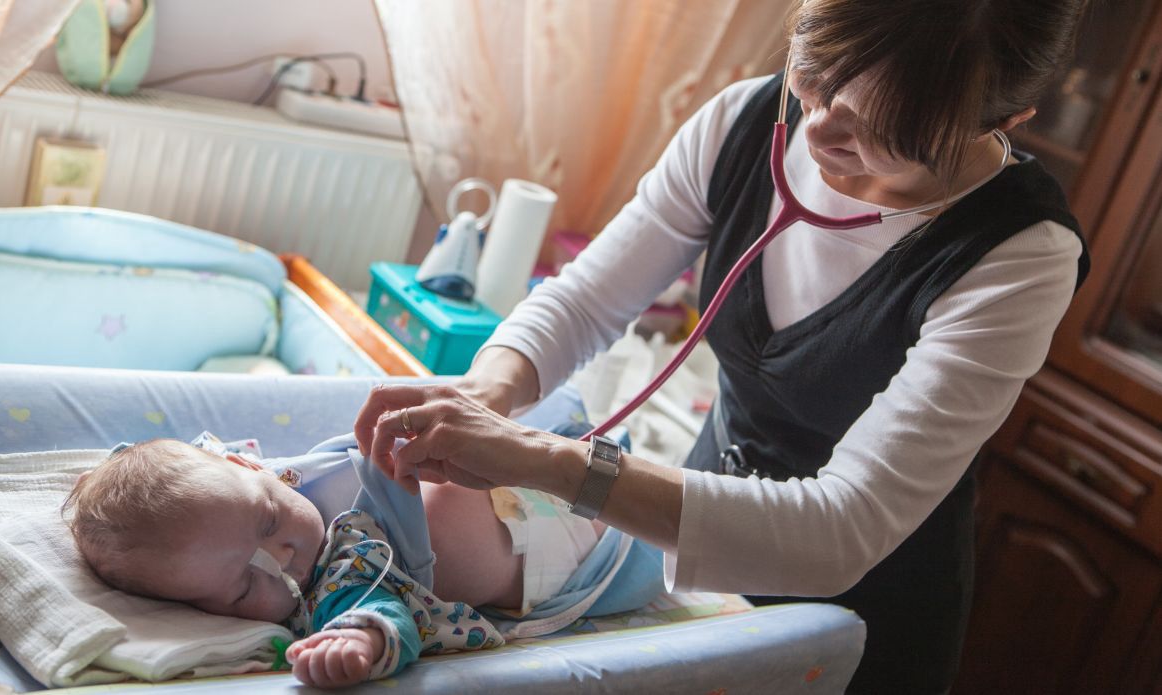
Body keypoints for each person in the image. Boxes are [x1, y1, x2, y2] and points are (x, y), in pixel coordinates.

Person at [352, 1, 1093, 692]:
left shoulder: (1019, 255)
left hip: (857, 611)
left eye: (884, 132)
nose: (820, 132)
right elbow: (586, 299)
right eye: (816, 77)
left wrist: (541, 459)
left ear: (1004, 119)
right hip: (688, 544)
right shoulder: (741, 121)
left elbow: (842, 526)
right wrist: (489, 390)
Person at [62, 434, 656, 689]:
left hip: (545, 477)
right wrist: (358, 643)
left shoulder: (244, 482)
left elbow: (180, 476)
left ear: (249, 469)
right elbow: (375, 615)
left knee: (652, 477)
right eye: (247, 584)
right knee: (689, 534)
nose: (286, 557)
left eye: (268, 521)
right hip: (592, 560)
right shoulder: (340, 576)